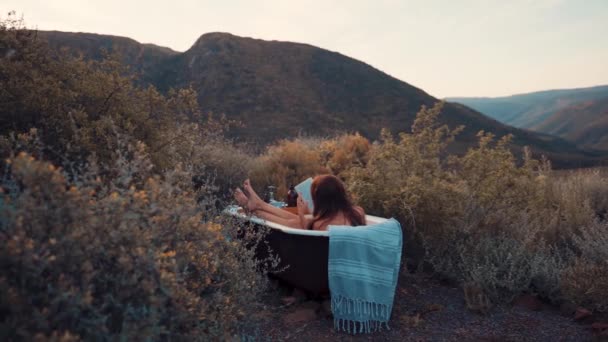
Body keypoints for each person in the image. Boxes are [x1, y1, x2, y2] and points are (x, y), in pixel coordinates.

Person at [234, 175, 366, 231]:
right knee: (295, 219)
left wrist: (302, 213)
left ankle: (253, 209)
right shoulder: (358, 212)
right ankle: (259, 205)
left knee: (292, 222)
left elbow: (308, 235)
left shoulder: (321, 224)